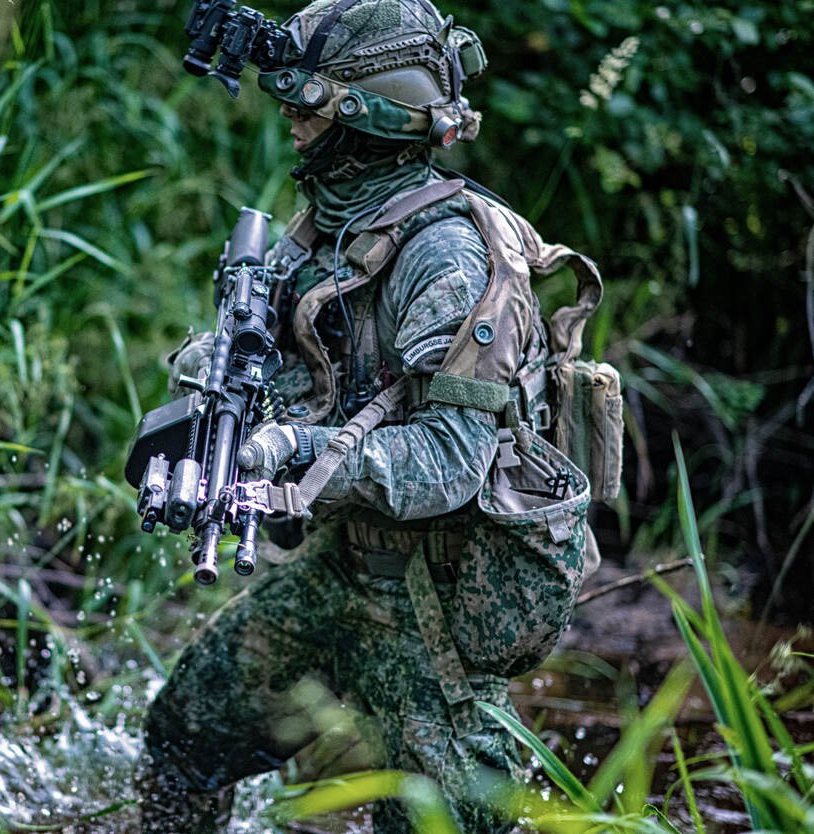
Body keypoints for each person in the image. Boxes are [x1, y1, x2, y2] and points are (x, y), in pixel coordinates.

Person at [139, 1, 598, 831]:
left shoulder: (448, 257)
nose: (290, 121)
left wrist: (292, 448)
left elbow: (451, 459)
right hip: (342, 566)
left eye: (307, 106)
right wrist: (215, 368)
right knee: (185, 735)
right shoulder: (335, 223)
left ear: (367, 118)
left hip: (438, 606)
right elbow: (299, 356)